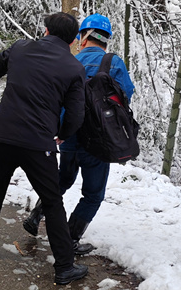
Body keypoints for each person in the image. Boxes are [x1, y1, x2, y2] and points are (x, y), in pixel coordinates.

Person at [0, 13, 89, 286]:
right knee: (51, 201)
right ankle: (63, 268)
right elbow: (75, 113)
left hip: (5, 135)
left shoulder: (20, 48)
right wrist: (63, 134)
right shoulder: (74, 68)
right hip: (39, 143)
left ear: (46, 30)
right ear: (73, 41)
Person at [23, 13, 134, 255]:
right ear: (106, 40)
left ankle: (36, 215)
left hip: (70, 135)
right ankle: (70, 239)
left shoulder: (71, 61)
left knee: (63, 179)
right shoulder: (113, 63)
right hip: (99, 140)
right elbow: (127, 92)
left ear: (83, 37)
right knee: (93, 194)